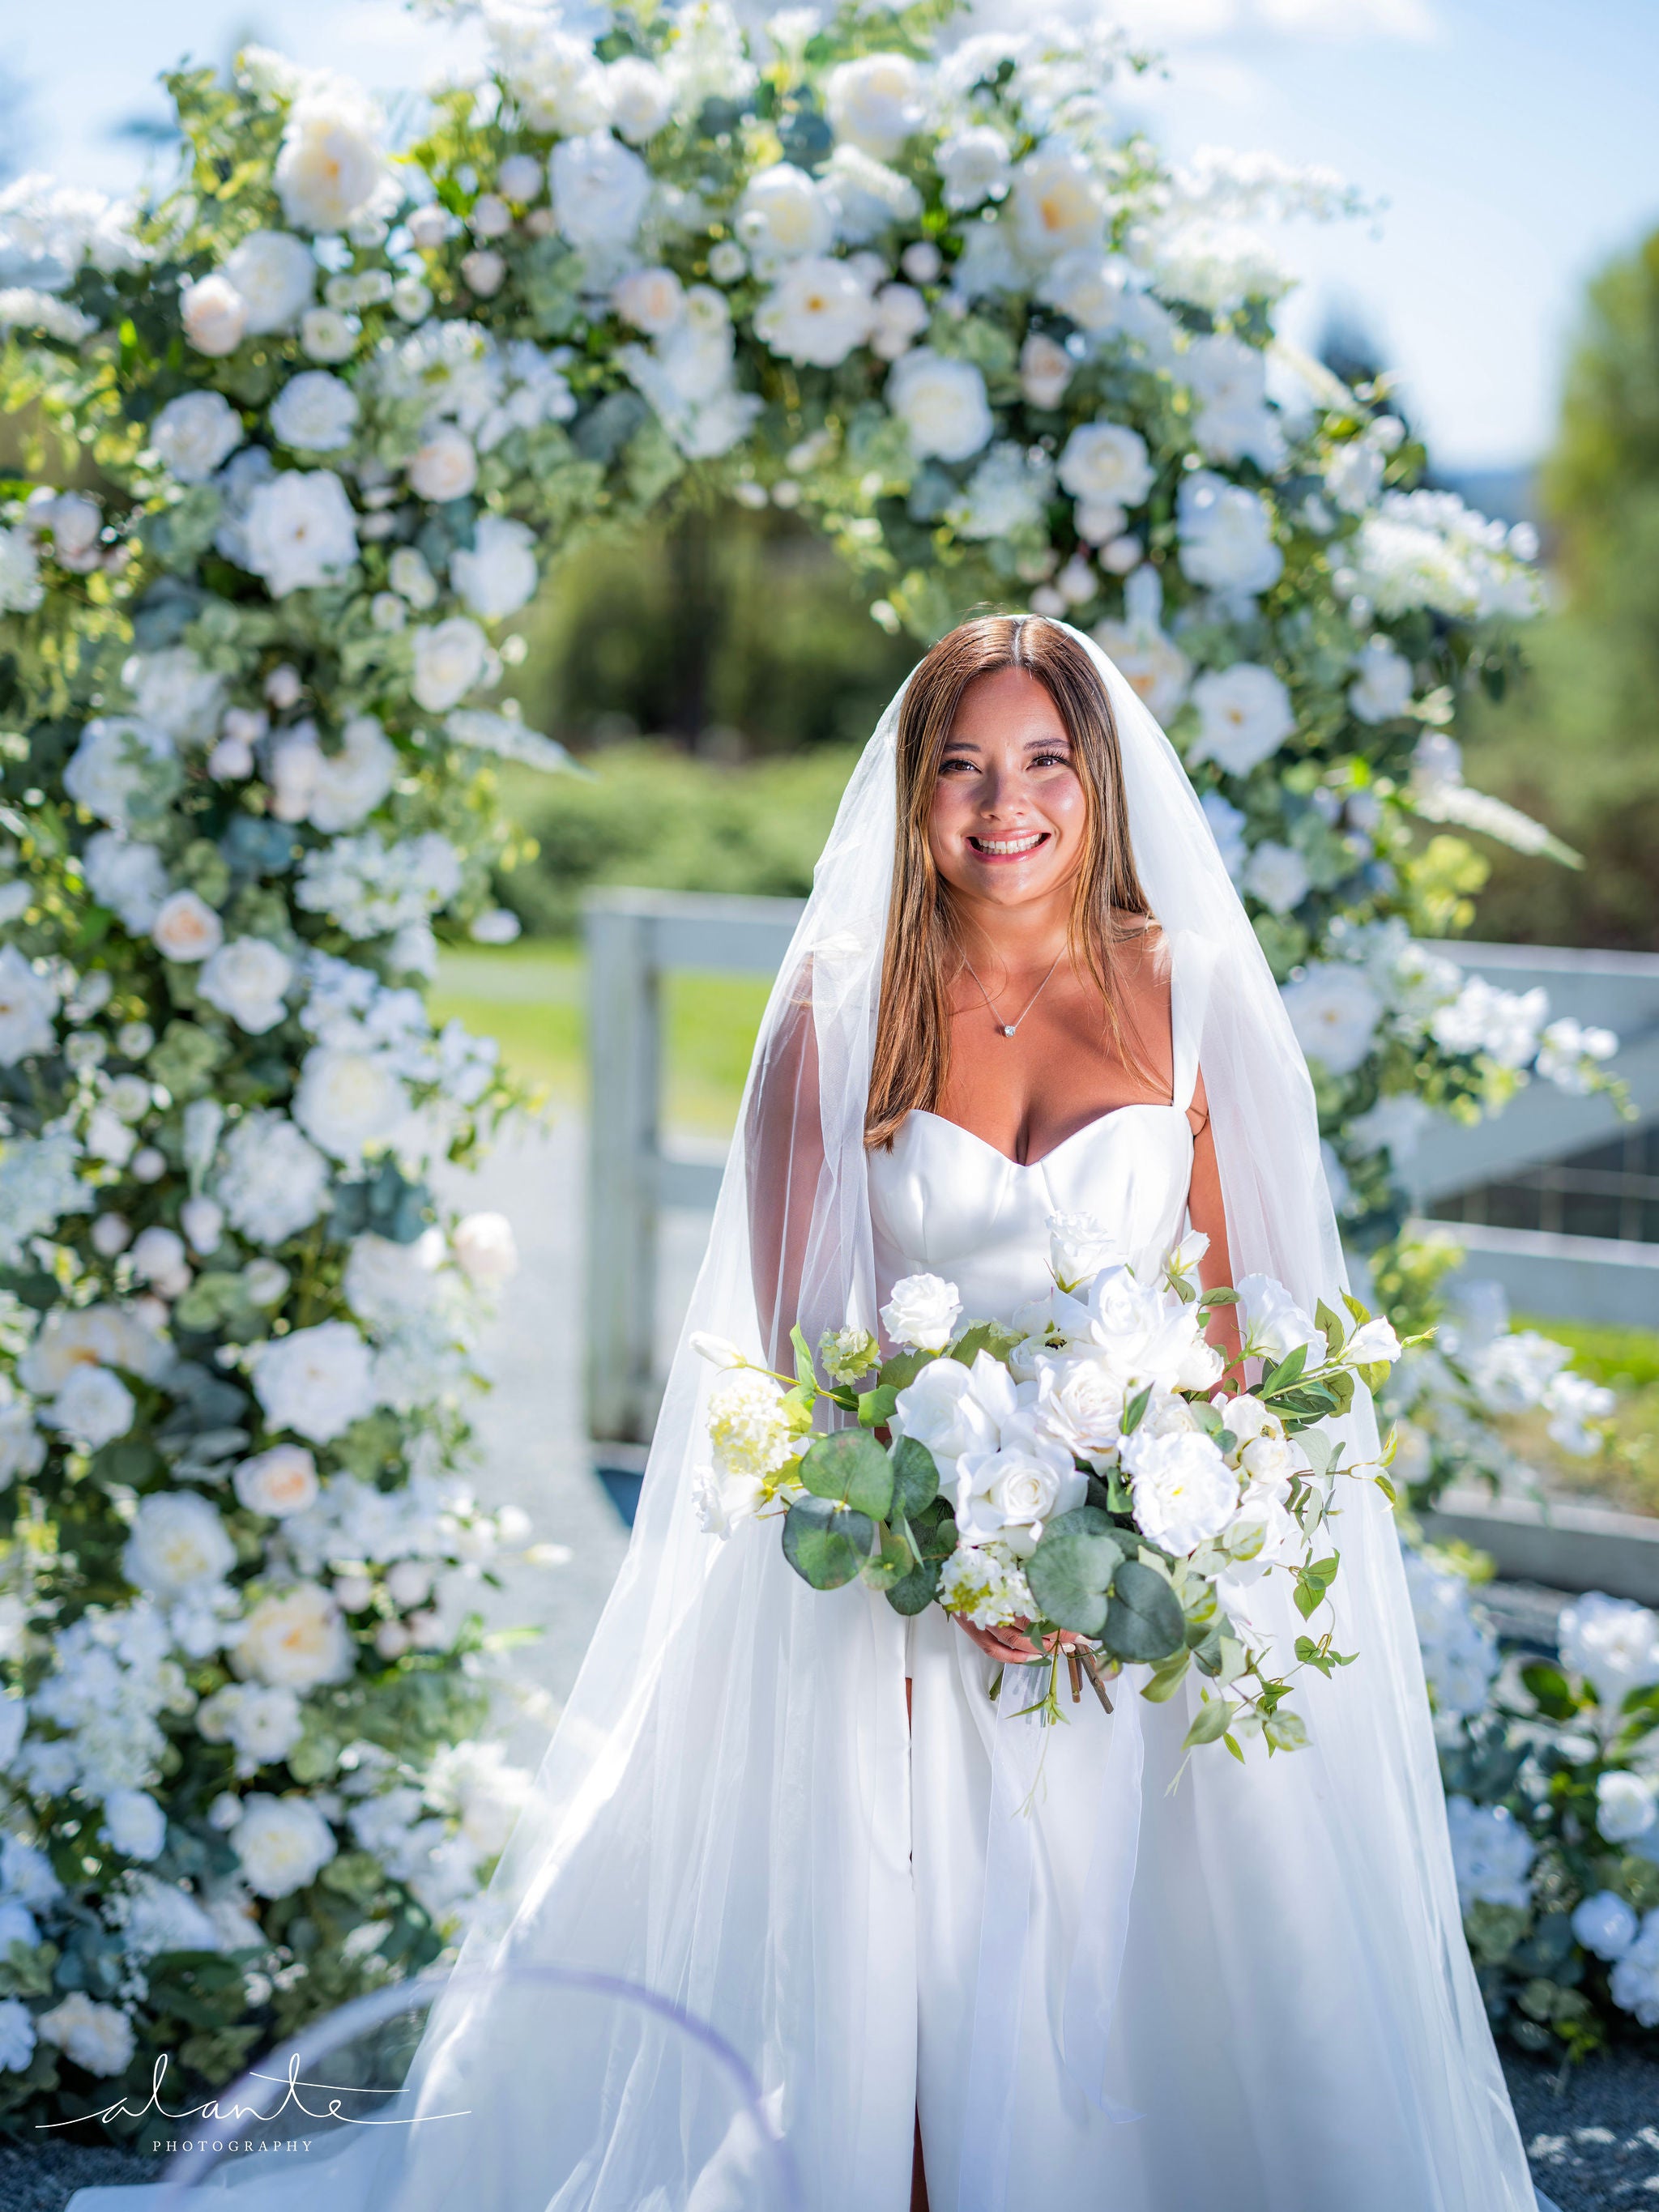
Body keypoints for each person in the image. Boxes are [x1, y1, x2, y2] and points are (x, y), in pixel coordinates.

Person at [69, 616, 1555, 2212]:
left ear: (1096, 781)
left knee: (1241, 1951)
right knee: (891, 1893)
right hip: (904, 1563)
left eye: (1045, 761)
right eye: (963, 765)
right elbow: (803, 1374)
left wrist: (1154, 1536)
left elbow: (1234, 1321)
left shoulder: (1181, 994)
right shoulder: (838, 1020)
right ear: (914, 792)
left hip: (1148, 1567)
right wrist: (970, 1569)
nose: (1007, 802)